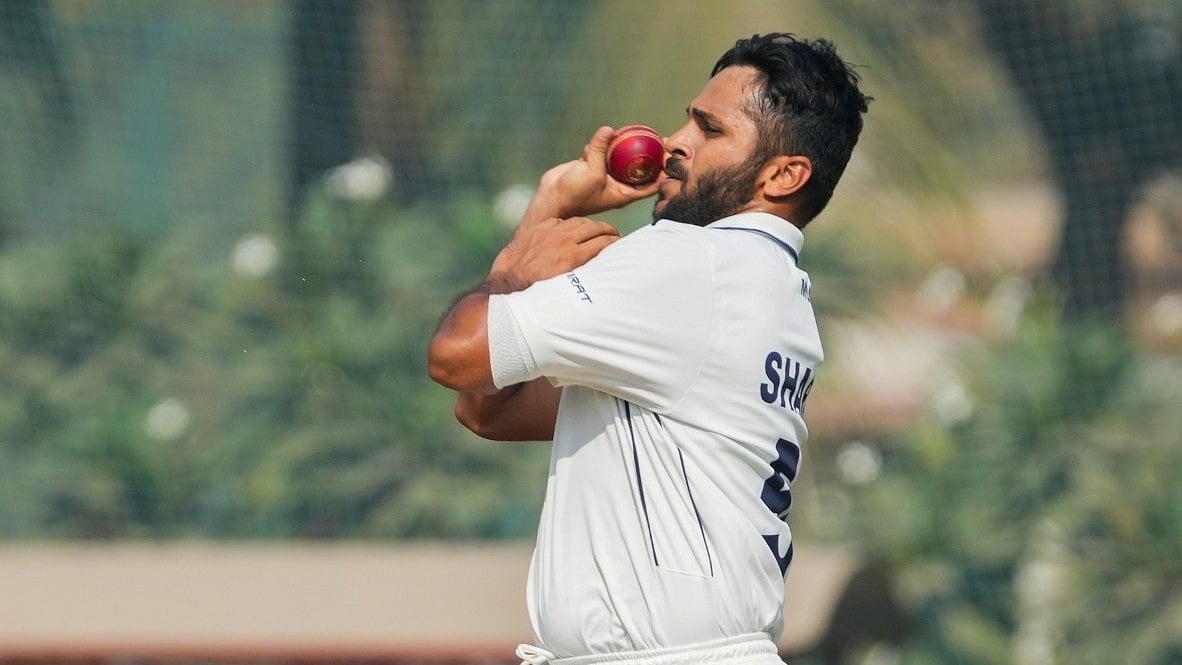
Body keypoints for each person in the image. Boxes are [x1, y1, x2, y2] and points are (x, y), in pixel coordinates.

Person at [428, 32, 870, 665]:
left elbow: (455, 356)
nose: (673, 144)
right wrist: (546, 216)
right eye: (688, 120)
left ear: (783, 174)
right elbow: (488, 410)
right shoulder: (771, 289)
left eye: (710, 130)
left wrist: (520, 264)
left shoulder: (692, 260)